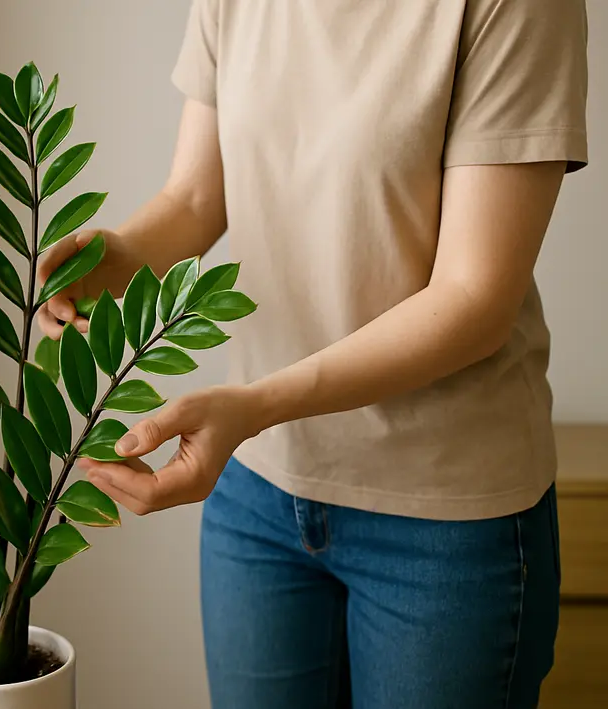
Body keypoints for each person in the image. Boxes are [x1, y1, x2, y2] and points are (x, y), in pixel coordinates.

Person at [37, 1, 590, 707]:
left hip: (444, 520)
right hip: (259, 495)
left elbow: (474, 299)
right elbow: (197, 196)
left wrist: (255, 404)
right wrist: (110, 261)